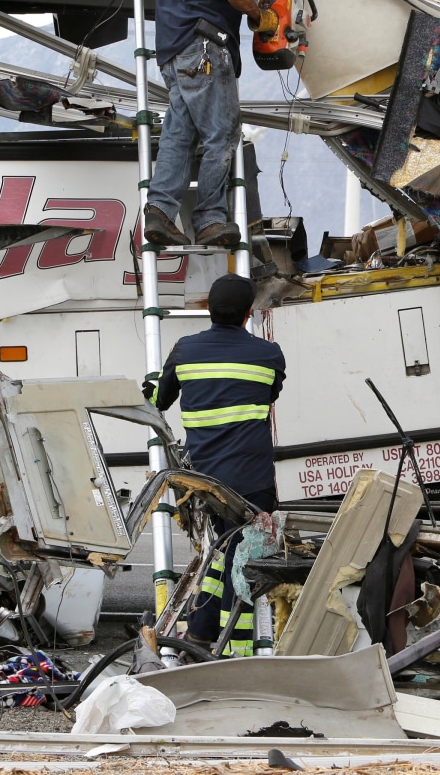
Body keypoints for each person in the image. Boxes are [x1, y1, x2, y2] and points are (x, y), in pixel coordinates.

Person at [144, 0, 278, 249]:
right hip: (203, 47)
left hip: (173, 47)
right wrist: (259, 15)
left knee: (180, 133)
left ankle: (161, 211)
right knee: (222, 132)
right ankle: (210, 219)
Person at [153, 274, 285, 655]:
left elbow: (159, 400)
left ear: (208, 309)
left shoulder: (184, 350)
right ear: (248, 314)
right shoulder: (269, 354)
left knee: (220, 553)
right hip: (253, 479)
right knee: (246, 563)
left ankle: (200, 630)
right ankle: (237, 651)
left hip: (206, 481)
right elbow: (271, 392)